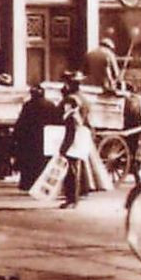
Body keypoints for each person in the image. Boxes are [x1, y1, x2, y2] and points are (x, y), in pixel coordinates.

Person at [12, 85, 63, 191]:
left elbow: (22, 122)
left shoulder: (28, 105)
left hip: (29, 138)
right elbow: (57, 120)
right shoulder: (50, 104)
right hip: (45, 137)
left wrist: (16, 135)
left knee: (28, 162)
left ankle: (27, 184)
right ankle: (41, 184)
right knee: (42, 162)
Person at [57, 75, 94, 209]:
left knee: (70, 170)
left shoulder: (70, 100)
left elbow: (71, 123)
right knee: (77, 167)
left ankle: (71, 199)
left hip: (74, 136)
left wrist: (64, 147)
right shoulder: (83, 98)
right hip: (83, 134)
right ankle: (79, 195)